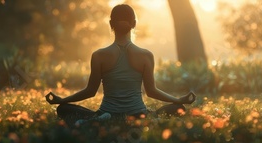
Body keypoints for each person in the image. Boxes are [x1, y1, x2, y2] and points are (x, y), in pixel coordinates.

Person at [46, 4, 195, 126]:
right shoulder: (146, 55)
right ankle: (151, 119)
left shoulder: (99, 55)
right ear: (134, 24)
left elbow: (90, 91)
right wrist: (178, 100)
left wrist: (62, 100)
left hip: (108, 112)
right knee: (178, 109)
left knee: (63, 109)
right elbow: (151, 91)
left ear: (111, 24)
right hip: (138, 114)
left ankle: (99, 118)